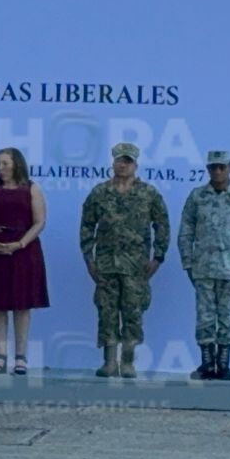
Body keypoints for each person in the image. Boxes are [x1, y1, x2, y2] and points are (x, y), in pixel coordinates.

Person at [79, 142, 170, 379]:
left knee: (133, 312)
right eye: (120, 160)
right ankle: (109, 362)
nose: (123, 164)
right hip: (106, 264)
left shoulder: (149, 193)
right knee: (107, 312)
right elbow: (87, 225)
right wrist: (89, 258)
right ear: (113, 162)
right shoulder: (99, 193)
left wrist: (158, 257)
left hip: (136, 265)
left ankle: (128, 362)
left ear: (136, 165)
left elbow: (162, 226)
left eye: (127, 161)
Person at [178, 150, 230, 381]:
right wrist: (187, 264)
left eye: (222, 167)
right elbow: (185, 232)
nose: (217, 171)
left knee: (227, 316)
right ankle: (206, 362)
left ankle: (223, 364)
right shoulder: (197, 197)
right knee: (204, 316)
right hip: (203, 268)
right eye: (213, 167)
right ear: (207, 169)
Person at [0, 147, 49, 376]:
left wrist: (21, 244)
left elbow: (39, 222)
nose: (1, 168)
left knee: (22, 304)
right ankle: (0, 354)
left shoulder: (32, 189)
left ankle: (21, 357)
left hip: (24, 251)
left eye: (5, 163)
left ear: (17, 164)